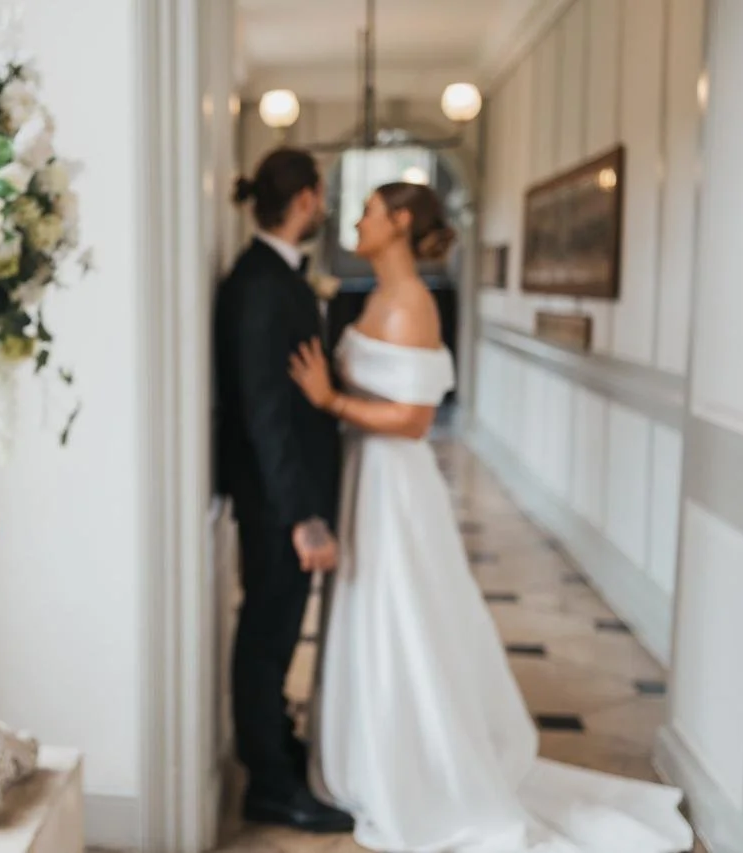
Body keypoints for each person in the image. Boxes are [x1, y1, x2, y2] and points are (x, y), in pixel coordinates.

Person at [289, 182, 694, 852]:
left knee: (402, 615)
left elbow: (414, 421)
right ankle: (366, 753)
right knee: (370, 611)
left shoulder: (414, 303)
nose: (354, 220)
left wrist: (331, 400)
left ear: (399, 222)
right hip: (365, 477)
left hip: (395, 484)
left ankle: (420, 766)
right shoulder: (376, 298)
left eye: (367, 211)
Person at [212, 148, 353, 834]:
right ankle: (268, 781)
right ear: (303, 198)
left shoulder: (274, 276)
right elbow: (266, 412)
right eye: (321, 192)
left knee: (276, 632)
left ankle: (277, 749)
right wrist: (301, 516)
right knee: (266, 637)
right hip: (278, 500)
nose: (323, 203)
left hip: (285, 493)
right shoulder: (261, 285)